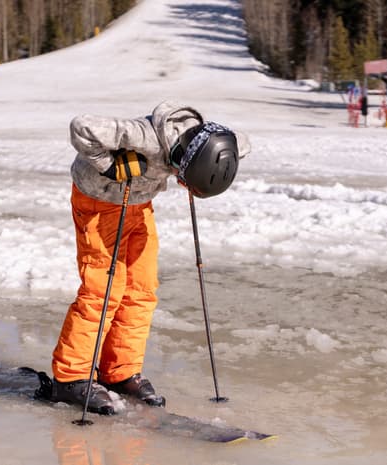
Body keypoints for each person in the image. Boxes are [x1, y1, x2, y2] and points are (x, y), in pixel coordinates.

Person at [45, 102, 249, 414]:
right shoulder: (144, 136)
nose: (180, 184)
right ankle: (71, 378)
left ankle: (120, 371)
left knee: (141, 288)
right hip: (98, 200)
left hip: (137, 203)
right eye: (183, 179)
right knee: (103, 291)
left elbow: (241, 144)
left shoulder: (213, 143)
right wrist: (109, 165)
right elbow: (81, 127)